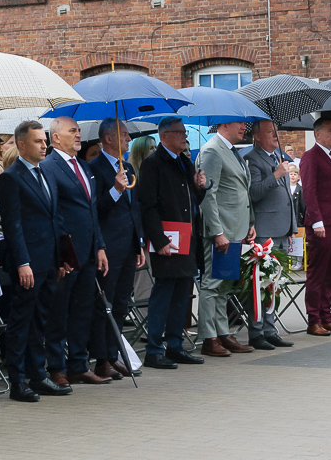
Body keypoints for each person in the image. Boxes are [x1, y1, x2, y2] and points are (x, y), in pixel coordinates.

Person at [0, 120, 71, 402]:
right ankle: (17, 380)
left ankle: (37, 375)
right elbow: (13, 225)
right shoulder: (11, 178)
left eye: (45, 140)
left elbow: (56, 217)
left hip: (49, 259)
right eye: (38, 141)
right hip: (28, 263)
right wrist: (22, 262)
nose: (45, 145)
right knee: (21, 321)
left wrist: (63, 256)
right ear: (21, 144)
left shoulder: (47, 173)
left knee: (40, 320)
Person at [40, 117, 110, 386]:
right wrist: (62, 254)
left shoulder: (83, 166)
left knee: (83, 310)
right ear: (56, 138)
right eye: (73, 131)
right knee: (60, 311)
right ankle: (56, 366)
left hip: (89, 251)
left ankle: (78, 364)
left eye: (79, 130)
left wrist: (100, 245)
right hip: (66, 253)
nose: (79, 135)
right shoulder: (49, 167)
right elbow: (53, 212)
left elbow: (91, 211)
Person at [138, 117, 208, 369]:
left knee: (183, 293)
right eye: (179, 132)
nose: (185, 137)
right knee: (164, 292)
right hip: (168, 238)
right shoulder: (153, 164)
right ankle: (154, 349)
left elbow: (192, 202)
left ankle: (176, 345)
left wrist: (200, 188)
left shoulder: (184, 162)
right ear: (164, 136)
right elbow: (148, 205)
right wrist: (158, 239)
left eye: (184, 132)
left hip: (187, 236)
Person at [195, 119, 255, 357]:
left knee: (224, 285)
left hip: (236, 229)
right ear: (223, 125)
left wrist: (249, 224)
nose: (244, 128)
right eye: (239, 123)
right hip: (221, 231)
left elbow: (240, 190)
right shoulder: (212, 150)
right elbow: (209, 194)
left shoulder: (231, 150)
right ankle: (209, 338)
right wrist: (217, 231)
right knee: (212, 284)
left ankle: (223, 333)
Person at [88, 118, 142, 378]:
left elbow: (135, 208)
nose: (129, 139)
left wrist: (139, 241)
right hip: (108, 246)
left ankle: (113, 352)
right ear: (108, 139)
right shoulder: (94, 169)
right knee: (105, 304)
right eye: (124, 134)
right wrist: (115, 190)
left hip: (129, 243)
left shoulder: (128, 166)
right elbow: (95, 210)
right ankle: (101, 358)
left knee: (121, 303)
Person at [243, 121, 298, 350]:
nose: (276, 136)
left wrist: (292, 226)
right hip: (265, 230)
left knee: (274, 284)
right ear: (256, 137)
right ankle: (256, 332)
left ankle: (270, 329)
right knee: (259, 284)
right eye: (269, 132)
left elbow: (287, 196)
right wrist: (276, 174)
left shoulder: (280, 157)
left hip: (282, 229)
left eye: (276, 131)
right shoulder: (252, 159)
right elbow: (253, 192)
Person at [299, 117, 331, 337]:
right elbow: (309, 192)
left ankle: (326, 316)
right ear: (317, 134)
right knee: (318, 272)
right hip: (321, 223)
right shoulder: (311, 157)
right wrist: (317, 220)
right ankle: (314, 319)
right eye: (330, 131)